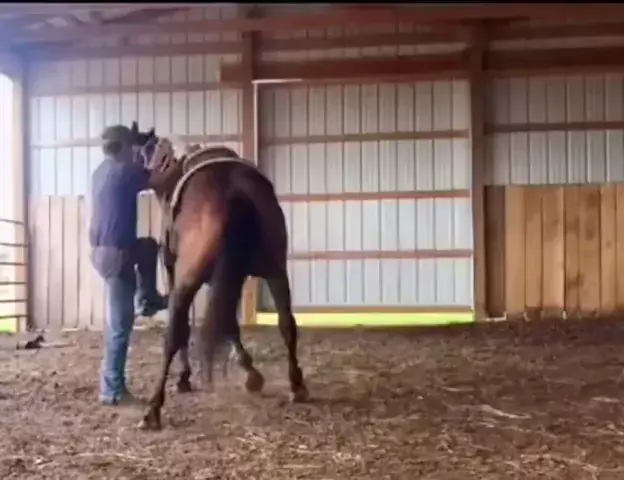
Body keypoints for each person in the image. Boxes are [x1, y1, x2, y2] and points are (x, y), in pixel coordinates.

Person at [89, 124, 174, 405]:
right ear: (126, 147)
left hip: (102, 251)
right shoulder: (125, 171)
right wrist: (175, 162)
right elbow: (161, 181)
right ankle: (111, 390)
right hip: (118, 256)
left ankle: (147, 298)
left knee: (148, 246)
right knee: (120, 325)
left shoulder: (100, 171)